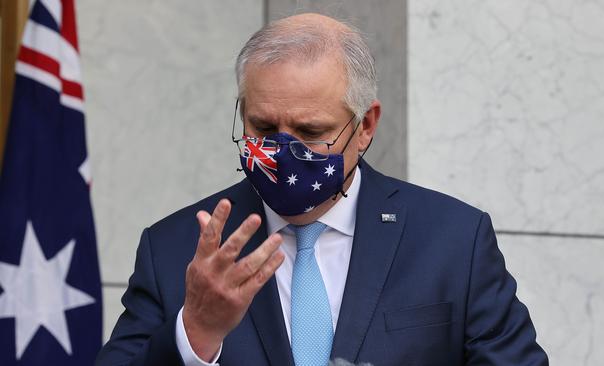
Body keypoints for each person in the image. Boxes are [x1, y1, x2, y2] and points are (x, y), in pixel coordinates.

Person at [96, 13, 549, 366]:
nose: (282, 150)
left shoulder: (452, 241)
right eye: (263, 126)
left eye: (311, 131)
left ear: (366, 126)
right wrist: (194, 332)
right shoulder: (175, 249)